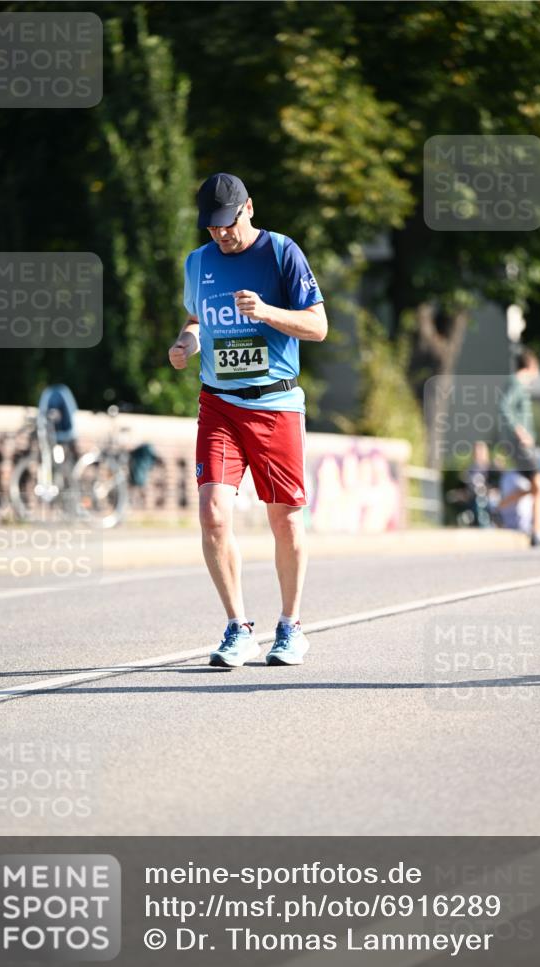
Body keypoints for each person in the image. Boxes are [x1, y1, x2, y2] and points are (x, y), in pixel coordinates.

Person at [168, 173, 327, 668]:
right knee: (213, 513)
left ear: (249, 209)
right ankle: (238, 627)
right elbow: (196, 319)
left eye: (227, 224)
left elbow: (318, 326)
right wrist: (184, 344)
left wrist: (267, 312)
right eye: (212, 227)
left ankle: (291, 626)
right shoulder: (198, 262)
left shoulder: (281, 253)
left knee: (285, 520)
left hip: (276, 404)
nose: (220, 234)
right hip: (219, 403)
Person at [498, 348, 540, 546]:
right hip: (520, 446)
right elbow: (504, 407)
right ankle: (538, 530)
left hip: (520, 445)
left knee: (535, 487)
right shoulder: (516, 382)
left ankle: (500, 508)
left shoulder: (517, 384)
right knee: (539, 484)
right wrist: (520, 431)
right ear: (531, 366)